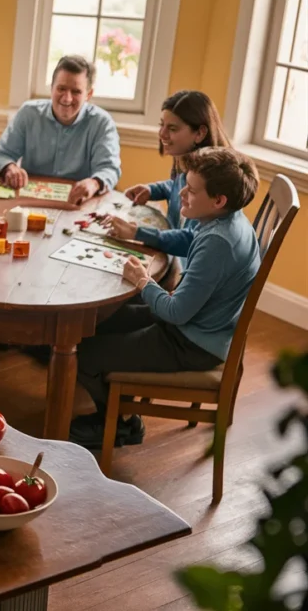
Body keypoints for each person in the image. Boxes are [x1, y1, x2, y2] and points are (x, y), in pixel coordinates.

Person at [69, 147, 261, 448]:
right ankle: (119, 405)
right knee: (103, 319)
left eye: (191, 190)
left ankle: (121, 424)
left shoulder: (217, 243)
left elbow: (175, 313)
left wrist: (143, 281)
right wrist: (140, 237)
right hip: (201, 324)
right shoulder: (225, 220)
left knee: (84, 353)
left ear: (218, 200)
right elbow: (186, 253)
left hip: (193, 342)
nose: (181, 193)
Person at [102, 90, 229, 271]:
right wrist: (152, 190)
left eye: (172, 129)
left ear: (199, 133)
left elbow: (194, 240)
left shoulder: (213, 180)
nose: (162, 134)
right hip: (179, 264)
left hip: (194, 275)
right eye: (162, 125)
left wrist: (136, 233)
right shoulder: (186, 162)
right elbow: (177, 187)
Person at [0, 55, 121, 206]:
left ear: (88, 95)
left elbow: (109, 169)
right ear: (51, 87)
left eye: (76, 92)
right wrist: (9, 167)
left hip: (77, 204)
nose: (67, 98)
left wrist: (94, 183)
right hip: (30, 202)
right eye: (61, 89)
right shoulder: (28, 113)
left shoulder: (102, 123)